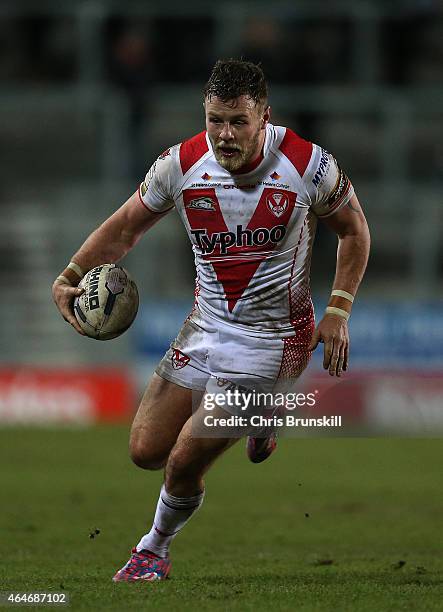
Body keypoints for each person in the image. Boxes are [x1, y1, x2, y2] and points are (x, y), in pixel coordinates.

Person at [52, 59, 370, 582]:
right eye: (215, 120)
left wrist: (338, 309)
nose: (224, 134)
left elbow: (354, 230)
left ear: (264, 116)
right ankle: (261, 419)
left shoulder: (308, 165)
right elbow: (127, 227)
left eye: (238, 122)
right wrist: (70, 273)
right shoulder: (180, 164)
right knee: (144, 452)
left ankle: (152, 549)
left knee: (181, 464)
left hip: (275, 342)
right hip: (205, 328)